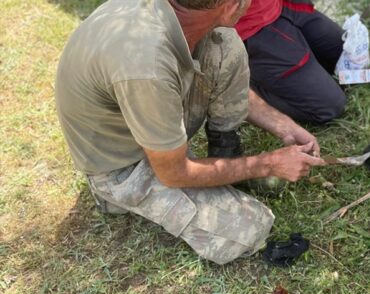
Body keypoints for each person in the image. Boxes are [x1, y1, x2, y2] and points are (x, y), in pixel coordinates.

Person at [55, 0, 326, 265]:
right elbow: (173, 173)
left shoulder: (173, 16)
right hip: (122, 165)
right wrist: (268, 164)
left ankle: (225, 151)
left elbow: (222, 73)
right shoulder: (147, 65)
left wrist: (283, 125)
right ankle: (112, 197)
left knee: (225, 44)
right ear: (231, 6)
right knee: (251, 227)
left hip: (146, 124)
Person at [236, 0, 346, 124]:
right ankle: (245, 82)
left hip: (278, 5)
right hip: (249, 28)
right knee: (329, 106)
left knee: (346, 59)